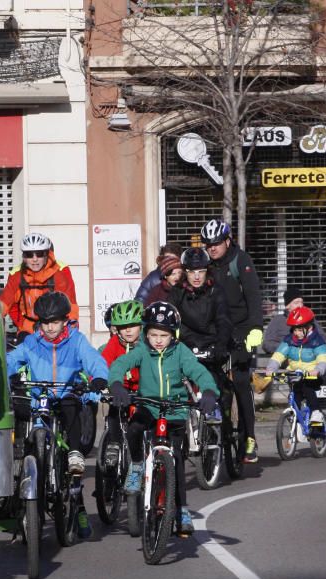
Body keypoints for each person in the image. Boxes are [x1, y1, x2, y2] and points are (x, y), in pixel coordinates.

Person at [108, 301, 218, 537]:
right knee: (135, 429)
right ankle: (137, 464)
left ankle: (181, 509)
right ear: (146, 333)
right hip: (149, 406)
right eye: (153, 334)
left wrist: (209, 391)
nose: (158, 339)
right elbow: (120, 364)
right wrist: (116, 384)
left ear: (173, 335)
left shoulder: (180, 352)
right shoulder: (141, 350)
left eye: (164, 335)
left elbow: (198, 371)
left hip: (175, 410)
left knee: (176, 459)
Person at [7, 291, 108, 539]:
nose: (50, 328)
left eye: (55, 322)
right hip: (39, 398)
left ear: (65, 320)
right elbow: (11, 359)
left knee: (71, 406)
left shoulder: (76, 340)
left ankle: (74, 453)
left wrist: (99, 378)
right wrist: (4, 374)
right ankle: (24, 471)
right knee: (24, 420)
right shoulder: (32, 342)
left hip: (66, 393)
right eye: (45, 322)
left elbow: (94, 360)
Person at [201, 218, 264, 464]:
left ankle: (249, 437)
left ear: (227, 241)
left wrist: (256, 329)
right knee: (214, 380)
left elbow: (254, 298)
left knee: (239, 381)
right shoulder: (205, 266)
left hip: (242, 329)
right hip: (218, 330)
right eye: (208, 244)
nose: (212, 248)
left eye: (216, 243)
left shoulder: (241, 261)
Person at [262, 306, 326, 430]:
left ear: (309, 327)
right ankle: (297, 424)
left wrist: (318, 369)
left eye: (299, 330)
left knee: (307, 387)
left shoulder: (317, 341)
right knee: (295, 396)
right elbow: (278, 355)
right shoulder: (289, 340)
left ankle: (316, 412)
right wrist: (271, 368)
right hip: (295, 374)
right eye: (294, 330)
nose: (296, 333)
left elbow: (323, 358)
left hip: (313, 374)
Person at [0, 232, 78, 340]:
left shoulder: (59, 273)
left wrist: (71, 328)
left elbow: (70, 305)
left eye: (39, 254)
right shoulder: (17, 275)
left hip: (54, 328)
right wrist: (20, 324)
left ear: (46, 254)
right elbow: (4, 305)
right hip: (28, 329)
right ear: (23, 257)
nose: (34, 259)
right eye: (29, 255)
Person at [99, 300, 144, 455]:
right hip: (121, 388)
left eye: (132, 325)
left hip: (143, 389)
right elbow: (103, 363)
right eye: (123, 327)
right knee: (114, 412)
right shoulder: (114, 342)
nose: (128, 330)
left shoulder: (148, 342)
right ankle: (114, 444)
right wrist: (96, 379)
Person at [262, 287, 326, 355]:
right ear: (287, 306)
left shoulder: (310, 320)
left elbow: (323, 338)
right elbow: (267, 344)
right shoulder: (278, 320)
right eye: (296, 303)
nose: (300, 305)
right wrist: (287, 348)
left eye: (302, 302)